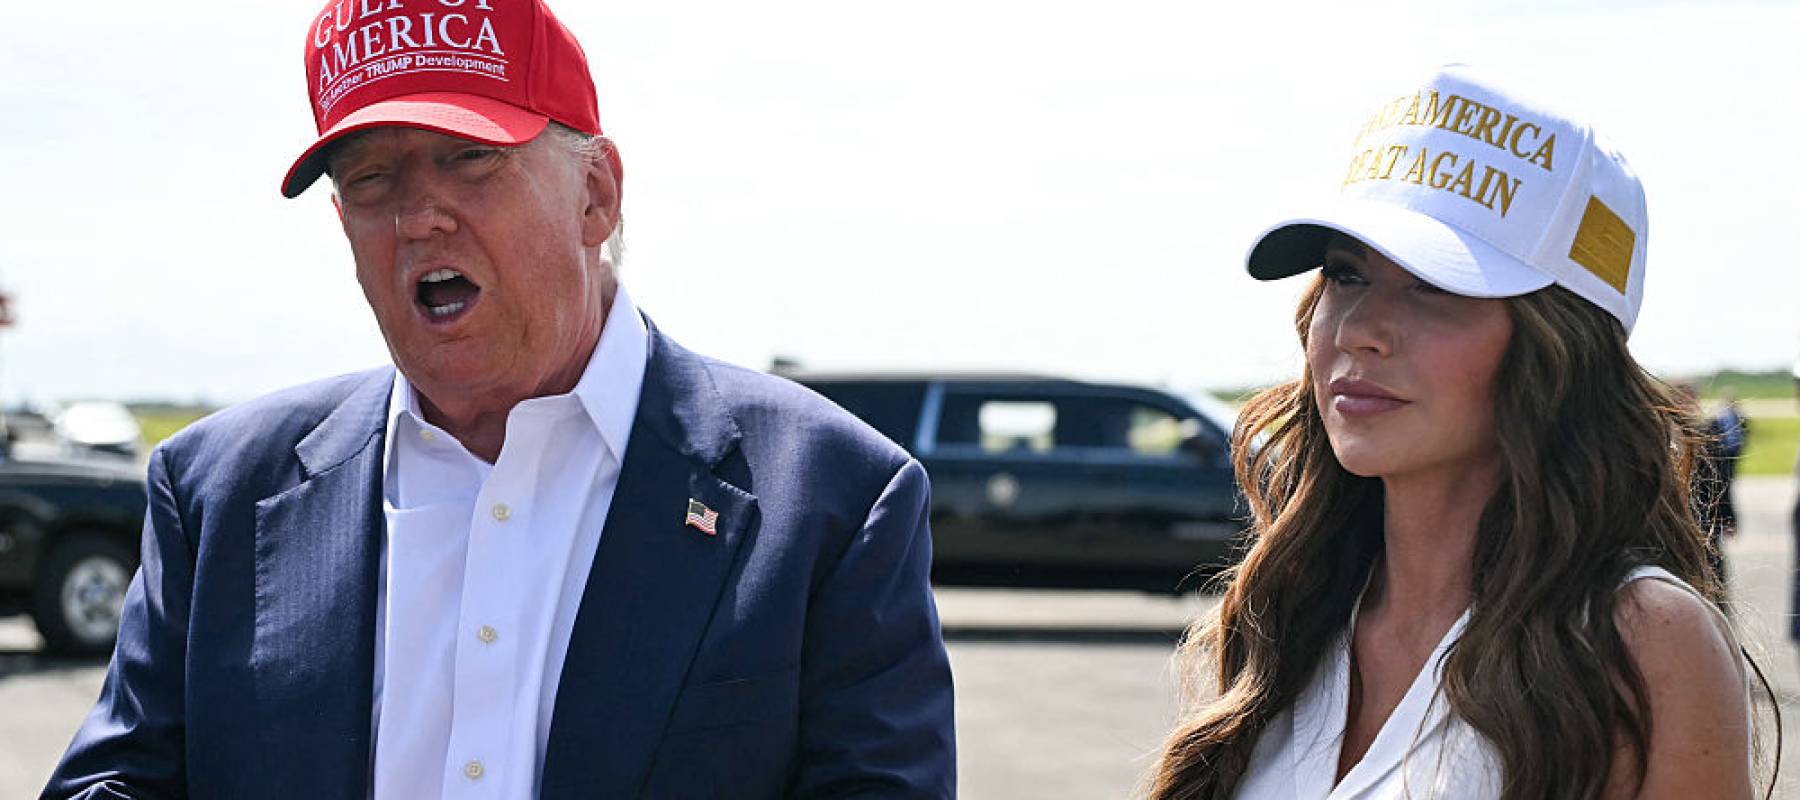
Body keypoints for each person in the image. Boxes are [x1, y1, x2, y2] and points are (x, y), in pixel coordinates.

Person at [43, 2, 955, 798]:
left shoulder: (831, 498)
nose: (417, 215)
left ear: (595, 195)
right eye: (372, 180)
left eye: (469, 159)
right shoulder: (217, 492)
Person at [1149, 65, 1759, 799]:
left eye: (1435, 285)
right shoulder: (1288, 613)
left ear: (1557, 345)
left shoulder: (1641, 639)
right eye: (1346, 275)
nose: (1362, 329)